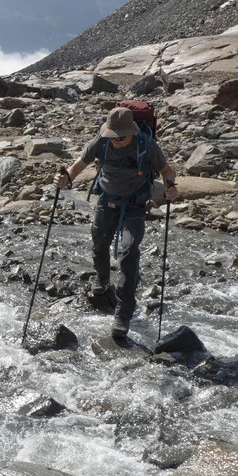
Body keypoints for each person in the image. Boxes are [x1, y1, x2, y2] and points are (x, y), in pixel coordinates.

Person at [55, 107, 178, 339]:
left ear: (131, 131)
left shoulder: (146, 144)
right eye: (112, 135)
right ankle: (102, 282)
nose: (115, 140)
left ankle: (123, 312)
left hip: (134, 206)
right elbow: (79, 164)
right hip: (106, 201)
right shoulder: (101, 141)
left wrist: (171, 187)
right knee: (99, 245)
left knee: (129, 251)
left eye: (119, 137)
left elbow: (166, 170)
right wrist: (66, 177)